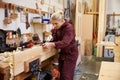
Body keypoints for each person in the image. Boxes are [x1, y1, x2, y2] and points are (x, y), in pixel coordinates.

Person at [42, 11, 78, 80]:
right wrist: (48, 42)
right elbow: (55, 40)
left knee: (66, 76)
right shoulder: (57, 28)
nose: (54, 26)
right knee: (60, 75)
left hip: (70, 54)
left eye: (56, 23)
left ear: (62, 21)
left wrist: (51, 44)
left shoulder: (69, 28)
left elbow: (65, 42)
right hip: (63, 54)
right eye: (53, 24)